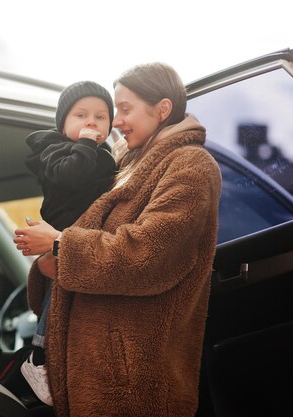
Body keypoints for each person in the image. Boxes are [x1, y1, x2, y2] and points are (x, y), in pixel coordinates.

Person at [13, 62, 221, 417]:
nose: (117, 120)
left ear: (162, 109)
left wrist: (61, 245)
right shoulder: (124, 164)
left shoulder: (190, 166)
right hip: (95, 370)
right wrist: (51, 262)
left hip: (134, 379)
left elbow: (148, 254)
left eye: (125, 109)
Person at [19, 81, 116, 406]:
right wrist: (87, 145)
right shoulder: (55, 150)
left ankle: (58, 358)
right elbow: (71, 176)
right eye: (82, 115)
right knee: (56, 298)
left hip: (82, 242)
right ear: (63, 124)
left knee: (71, 306)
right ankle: (39, 358)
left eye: (101, 117)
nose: (92, 123)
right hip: (63, 233)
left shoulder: (102, 155)